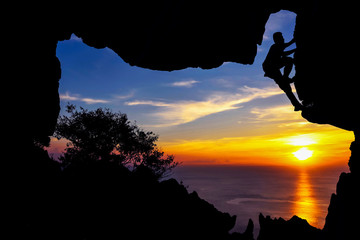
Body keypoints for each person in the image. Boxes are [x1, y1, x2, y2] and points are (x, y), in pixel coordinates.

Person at [263, 32, 303, 111]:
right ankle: (286, 78)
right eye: (281, 37)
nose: (283, 39)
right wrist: (296, 48)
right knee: (289, 61)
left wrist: (295, 39)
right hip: (270, 68)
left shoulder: (279, 45)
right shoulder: (275, 47)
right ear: (276, 40)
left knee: (286, 86)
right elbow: (285, 53)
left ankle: (297, 105)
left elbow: (289, 43)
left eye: (282, 37)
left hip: (273, 67)